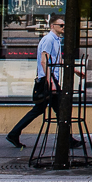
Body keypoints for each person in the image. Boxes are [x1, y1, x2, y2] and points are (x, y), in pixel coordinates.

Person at [7, 13, 66, 149]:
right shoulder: (48, 40)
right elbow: (44, 61)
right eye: (61, 25)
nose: (63, 27)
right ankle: (67, 139)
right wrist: (50, 81)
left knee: (46, 109)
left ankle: (14, 133)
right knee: (57, 109)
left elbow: (58, 60)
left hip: (50, 79)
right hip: (47, 80)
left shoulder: (57, 40)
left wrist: (75, 71)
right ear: (52, 26)